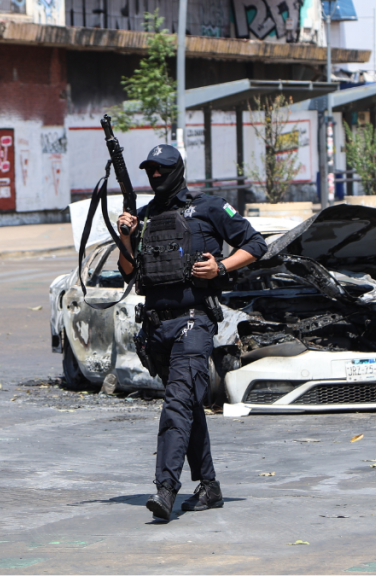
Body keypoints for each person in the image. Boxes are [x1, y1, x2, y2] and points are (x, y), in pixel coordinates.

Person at [116, 144, 268, 521]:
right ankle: (210, 487)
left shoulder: (210, 208)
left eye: (160, 169)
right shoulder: (145, 218)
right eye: (148, 169)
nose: (154, 175)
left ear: (176, 170)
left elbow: (256, 243)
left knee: (177, 405)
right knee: (186, 407)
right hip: (156, 328)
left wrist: (222, 268)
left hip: (193, 322)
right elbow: (128, 272)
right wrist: (125, 236)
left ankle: (165, 489)